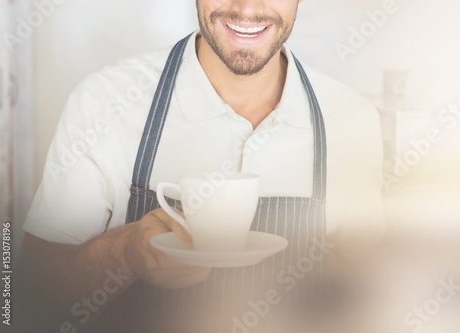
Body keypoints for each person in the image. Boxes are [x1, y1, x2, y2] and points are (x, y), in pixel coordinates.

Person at [19, 1, 383, 332]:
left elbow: (370, 296)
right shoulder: (104, 103)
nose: (247, 8)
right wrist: (124, 252)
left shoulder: (353, 119)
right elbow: (24, 295)